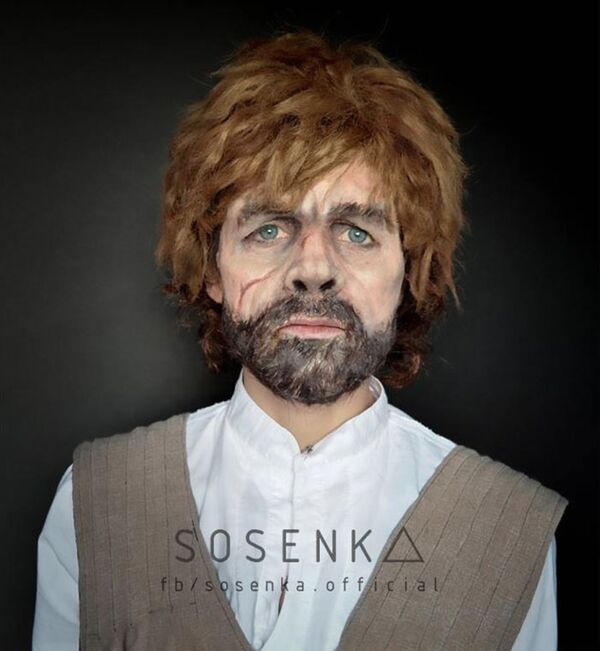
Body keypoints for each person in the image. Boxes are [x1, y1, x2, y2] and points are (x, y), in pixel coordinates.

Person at [33, 30, 567, 650]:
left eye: (357, 231)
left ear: (407, 272)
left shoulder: (512, 534)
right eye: (268, 229)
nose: (313, 267)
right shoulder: (93, 505)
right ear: (212, 269)